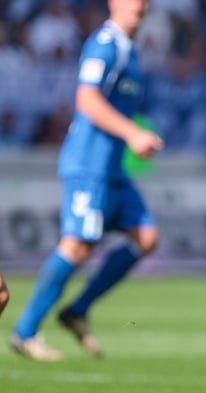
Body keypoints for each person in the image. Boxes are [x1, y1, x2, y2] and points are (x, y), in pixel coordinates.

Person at [9, 0, 164, 361]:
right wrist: (133, 133)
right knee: (77, 245)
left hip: (113, 171)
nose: (138, 4)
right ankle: (25, 333)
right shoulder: (105, 44)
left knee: (146, 237)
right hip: (88, 166)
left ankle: (76, 310)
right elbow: (87, 100)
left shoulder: (131, 50)